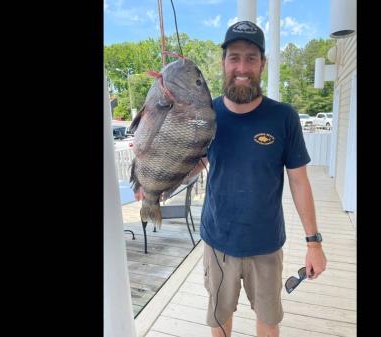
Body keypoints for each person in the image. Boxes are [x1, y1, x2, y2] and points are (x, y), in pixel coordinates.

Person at [136, 20, 327, 337]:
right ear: (223, 62)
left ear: (262, 64)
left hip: (266, 244)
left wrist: (313, 243)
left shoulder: (284, 117)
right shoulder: (202, 116)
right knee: (220, 319)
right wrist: (155, 183)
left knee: (268, 321)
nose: (242, 66)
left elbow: (299, 182)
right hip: (217, 242)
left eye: (251, 57)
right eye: (234, 57)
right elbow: (193, 162)